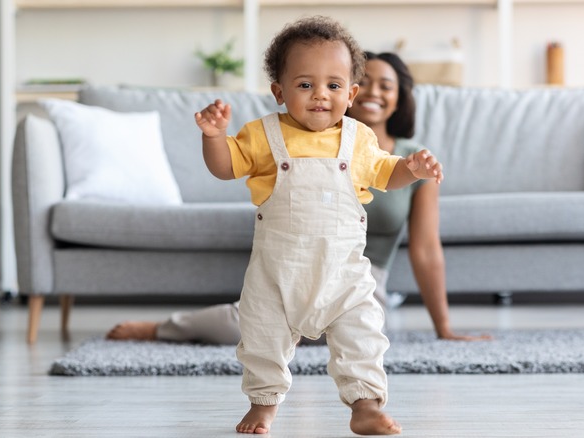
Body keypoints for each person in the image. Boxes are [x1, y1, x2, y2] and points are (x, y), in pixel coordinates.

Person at [106, 51, 490, 345]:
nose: (374, 92)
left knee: (351, 333)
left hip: (358, 275)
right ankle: (163, 328)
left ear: (399, 96)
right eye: (366, 81)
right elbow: (233, 166)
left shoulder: (412, 159)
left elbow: (425, 250)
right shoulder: (292, 139)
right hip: (294, 258)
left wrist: (445, 328)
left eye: (386, 85)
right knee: (257, 324)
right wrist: (215, 138)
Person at [199, 16, 444, 435]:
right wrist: (214, 137)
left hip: (343, 276)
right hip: (277, 276)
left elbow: (387, 175)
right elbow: (225, 168)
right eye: (305, 84)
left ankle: (364, 405)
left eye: (333, 85)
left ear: (350, 93)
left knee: (363, 336)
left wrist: (412, 168)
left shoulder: (359, 139)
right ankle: (263, 405)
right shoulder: (263, 135)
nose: (320, 95)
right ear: (279, 91)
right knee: (262, 341)